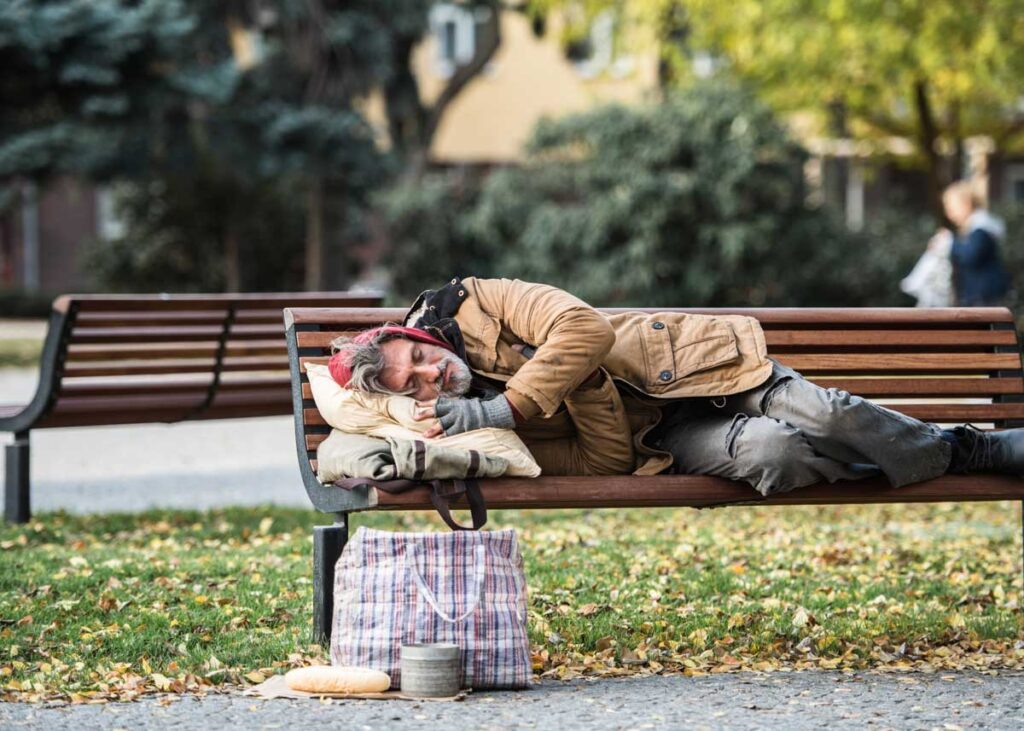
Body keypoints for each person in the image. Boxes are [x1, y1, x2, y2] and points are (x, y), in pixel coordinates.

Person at [328, 276, 1024, 496]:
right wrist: (578, 386)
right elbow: (603, 461)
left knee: (827, 413)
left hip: (695, 367)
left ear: (414, 336)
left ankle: (963, 448)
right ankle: (929, 453)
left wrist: (505, 401)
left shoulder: (476, 298)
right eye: (411, 383)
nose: (427, 373)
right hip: (669, 434)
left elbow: (582, 326)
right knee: (775, 457)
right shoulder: (472, 433)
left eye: (415, 357)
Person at [942, 181, 1011, 306]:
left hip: (984, 297)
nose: (949, 214)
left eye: (952, 207)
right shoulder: (976, 227)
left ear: (966, 204)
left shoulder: (981, 229)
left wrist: (949, 243)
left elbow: (971, 257)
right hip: (980, 296)